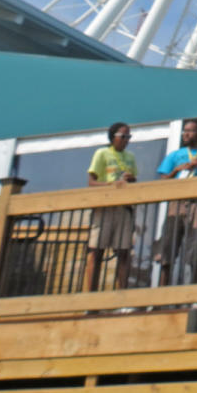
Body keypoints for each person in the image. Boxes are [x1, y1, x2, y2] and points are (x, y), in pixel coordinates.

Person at [155, 119, 197, 285]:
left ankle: (196, 296)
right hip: (176, 203)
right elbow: (162, 180)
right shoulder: (175, 155)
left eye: (190, 131)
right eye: (184, 130)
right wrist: (176, 170)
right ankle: (159, 298)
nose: (185, 134)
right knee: (168, 247)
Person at [85, 122, 137, 291]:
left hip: (124, 208)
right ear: (112, 137)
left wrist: (131, 180)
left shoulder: (130, 157)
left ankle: (122, 298)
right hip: (104, 207)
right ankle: (90, 298)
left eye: (129, 137)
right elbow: (91, 182)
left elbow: (134, 182)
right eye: (123, 136)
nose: (126, 140)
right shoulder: (102, 153)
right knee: (96, 252)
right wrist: (112, 184)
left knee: (123, 252)